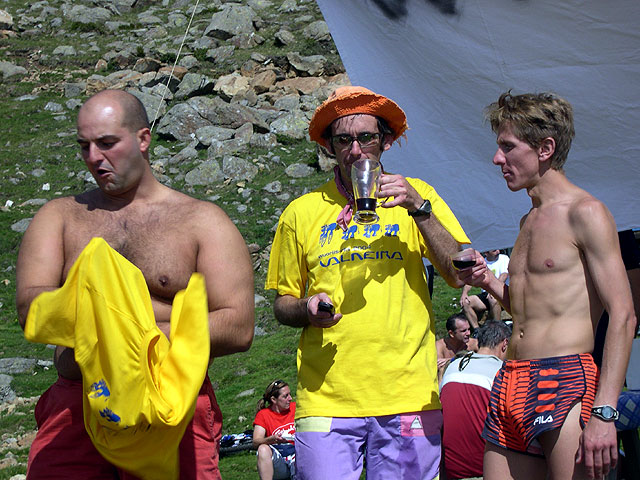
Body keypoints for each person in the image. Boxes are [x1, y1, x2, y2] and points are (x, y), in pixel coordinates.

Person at [15, 89, 255, 479]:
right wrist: (164, 317)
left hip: (172, 405)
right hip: (78, 404)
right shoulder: (59, 217)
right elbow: (32, 309)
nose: (94, 157)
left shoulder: (202, 221)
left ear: (143, 139)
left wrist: (108, 322)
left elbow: (238, 326)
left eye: (107, 143)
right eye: (84, 146)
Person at [265, 85, 470, 480]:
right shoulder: (301, 212)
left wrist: (419, 209)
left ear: (385, 141)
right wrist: (307, 308)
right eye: (344, 140)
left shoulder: (417, 195)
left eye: (366, 138)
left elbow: (457, 271)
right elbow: (282, 303)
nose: (356, 150)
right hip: (327, 399)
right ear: (329, 146)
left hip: (407, 394)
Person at [457, 91, 636, 480]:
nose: (497, 159)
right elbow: (529, 310)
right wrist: (488, 280)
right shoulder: (527, 221)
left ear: (545, 148)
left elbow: (623, 314)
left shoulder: (585, 212)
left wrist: (605, 412)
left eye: (508, 146)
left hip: (565, 376)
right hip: (510, 378)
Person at [440, 320, 511, 479]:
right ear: (505, 344)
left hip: (450, 469)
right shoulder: (503, 374)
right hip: (486, 470)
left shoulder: (454, 365)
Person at [253, 380, 296, 480]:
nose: (290, 398)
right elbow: (255, 442)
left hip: (298, 453)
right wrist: (271, 439)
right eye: (285, 396)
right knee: (262, 449)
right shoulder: (264, 415)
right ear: (273, 399)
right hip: (279, 459)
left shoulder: (296, 407)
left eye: (290, 394)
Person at [460, 249, 509, 328]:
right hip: (485, 294)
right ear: (486, 252)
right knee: (465, 302)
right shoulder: (482, 262)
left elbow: (504, 275)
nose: (498, 250)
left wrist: (494, 289)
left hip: (501, 291)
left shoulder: (504, 258)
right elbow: (472, 278)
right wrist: (464, 293)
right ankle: (477, 330)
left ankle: (498, 327)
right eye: (494, 250)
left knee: (493, 299)